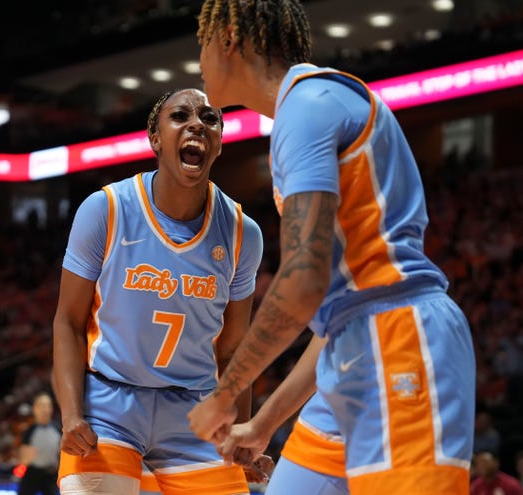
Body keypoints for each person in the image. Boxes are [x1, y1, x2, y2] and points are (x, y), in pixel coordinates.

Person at [187, 1, 476, 494]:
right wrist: (263, 423)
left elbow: (302, 282)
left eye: (202, 44)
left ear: (229, 38)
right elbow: (333, 310)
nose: (199, 59)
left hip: (401, 341)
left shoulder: (308, 106)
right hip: (352, 344)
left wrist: (226, 391)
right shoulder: (305, 107)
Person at [52, 88, 264, 495]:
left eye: (209, 118)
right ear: (155, 139)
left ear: (218, 142)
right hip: (109, 403)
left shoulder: (242, 233)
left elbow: (234, 351)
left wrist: (239, 433)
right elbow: (68, 321)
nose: (197, 124)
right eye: (180, 116)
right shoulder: (106, 209)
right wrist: (71, 415)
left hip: (196, 410)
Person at [221, 334, 348, 495]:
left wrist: (261, 426)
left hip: (379, 419)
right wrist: (261, 426)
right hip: (329, 422)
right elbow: (329, 337)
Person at [17, 391, 62, 495]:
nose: (45, 409)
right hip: (31, 473)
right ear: (34, 409)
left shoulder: (58, 429)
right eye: (41, 405)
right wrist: (24, 458)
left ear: (51, 409)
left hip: (51, 475)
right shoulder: (28, 431)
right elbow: (22, 458)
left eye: (48, 405)